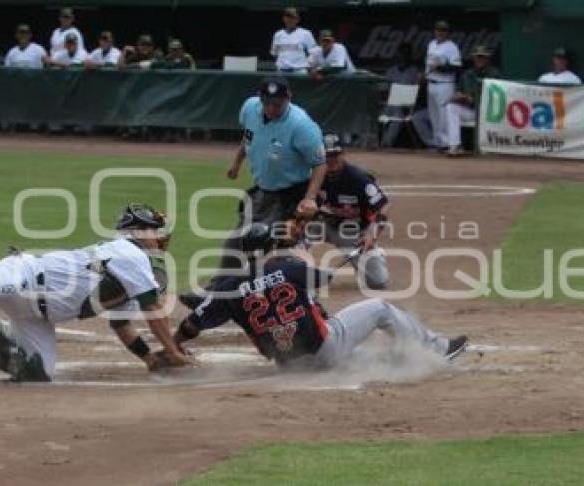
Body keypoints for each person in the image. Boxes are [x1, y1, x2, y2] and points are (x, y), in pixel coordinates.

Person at [0, 204, 194, 382]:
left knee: (36, 374)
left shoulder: (131, 269)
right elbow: (153, 310)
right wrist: (175, 353)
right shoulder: (131, 254)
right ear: (139, 232)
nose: (161, 241)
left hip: (39, 316)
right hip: (24, 278)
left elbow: (121, 324)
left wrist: (151, 359)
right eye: (157, 233)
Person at [173, 222, 468, 370]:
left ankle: (408, 361)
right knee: (379, 308)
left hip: (289, 366)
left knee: (363, 358)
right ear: (269, 247)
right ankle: (439, 349)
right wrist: (304, 258)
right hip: (323, 349)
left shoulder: (229, 287)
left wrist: (172, 345)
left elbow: (191, 326)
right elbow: (322, 278)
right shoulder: (289, 268)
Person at [220, 77, 326, 272]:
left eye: (277, 104)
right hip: (263, 192)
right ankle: (219, 291)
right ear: (260, 99)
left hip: (292, 195)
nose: (271, 108)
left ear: (289, 98)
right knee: (237, 243)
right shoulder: (250, 108)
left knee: (284, 249)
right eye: (267, 103)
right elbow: (248, 135)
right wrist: (237, 162)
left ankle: (300, 295)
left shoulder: (302, 126)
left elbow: (320, 164)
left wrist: (310, 198)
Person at [314, 133, 390, 289]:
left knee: (378, 282)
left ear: (343, 154)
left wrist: (372, 233)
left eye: (335, 155)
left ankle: (376, 254)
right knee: (295, 230)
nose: (331, 160)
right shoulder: (314, 175)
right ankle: (293, 269)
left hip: (351, 231)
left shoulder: (358, 178)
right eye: (327, 156)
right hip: (322, 225)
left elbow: (384, 205)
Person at [446, 45, 501, 156]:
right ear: (473, 58)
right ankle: (455, 145)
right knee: (451, 107)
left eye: (482, 57)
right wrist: (457, 97)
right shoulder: (467, 74)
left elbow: (496, 97)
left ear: (487, 59)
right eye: (477, 57)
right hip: (472, 111)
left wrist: (473, 99)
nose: (479, 59)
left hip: (488, 112)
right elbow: (459, 90)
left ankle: (489, 146)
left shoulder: (494, 74)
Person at [424, 20, 462, 152]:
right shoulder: (431, 44)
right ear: (434, 31)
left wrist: (440, 67)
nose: (440, 32)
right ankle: (438, 142)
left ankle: (447, 143)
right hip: (431, 82)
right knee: (433, 115)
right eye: (438, 30)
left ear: (447, 33)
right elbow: (428, 64)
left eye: (443, 30)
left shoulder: (452, 47)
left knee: (444, 115)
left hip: (445, 84)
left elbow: (457, 67)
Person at [381, 43, 425, 147]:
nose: (403, 56)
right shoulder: (392, 70)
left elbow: (418, 91)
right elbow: (383, 89)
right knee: (375, 114)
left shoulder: (415, 71)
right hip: (390, 103)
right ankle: (365, 142)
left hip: (407, 105)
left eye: (406, 53)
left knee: (398, 115)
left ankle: (386, 143)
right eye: (401, 53)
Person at [271, 7, 316, 74]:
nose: (289, 20)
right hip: (282, 71)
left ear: (297, 19)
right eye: (287, 17)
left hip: (299, 71)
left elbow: (314, 53)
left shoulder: (306, 33)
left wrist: (310, 66)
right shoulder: (278, 34)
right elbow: (275, 54)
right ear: (284, 19)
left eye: (292, 17)